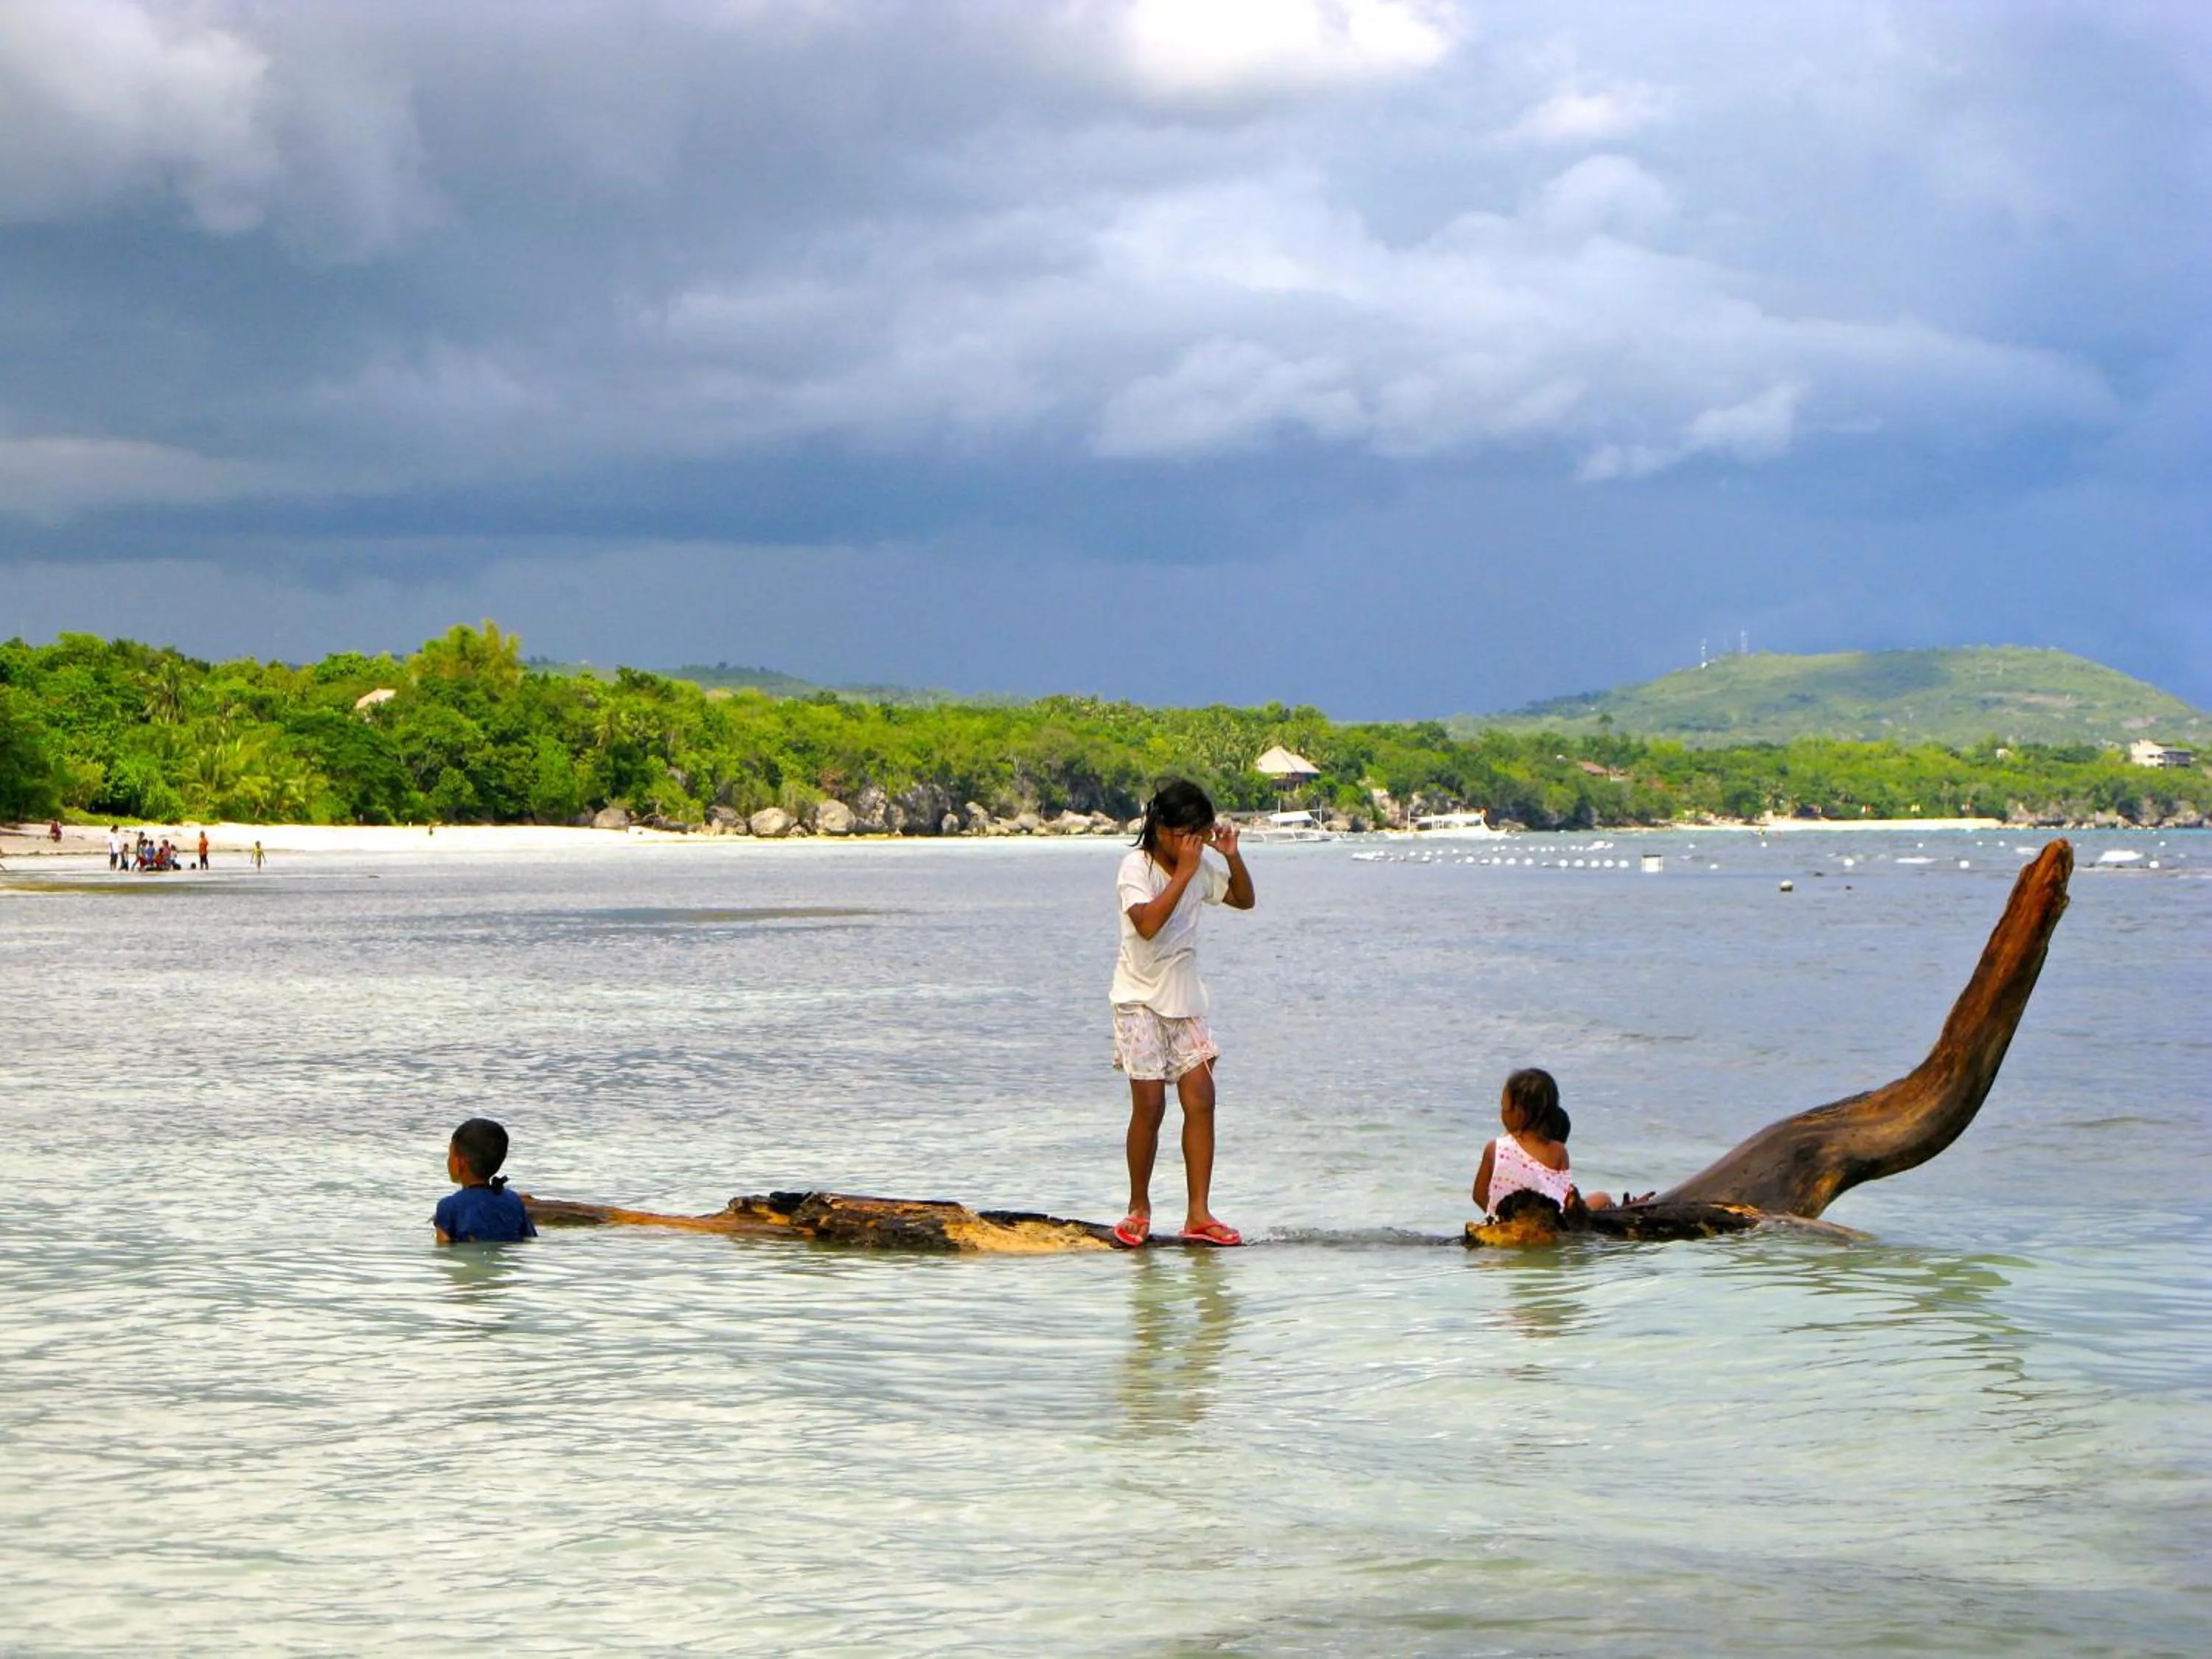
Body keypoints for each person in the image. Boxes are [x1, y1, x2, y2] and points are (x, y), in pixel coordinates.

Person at [1110, 779, 1256, 1248]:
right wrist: (1185, 871)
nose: (1193, 844)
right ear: (1163, 829)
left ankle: (1199, 1213)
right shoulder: (1136, 866)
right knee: (1149, 1107)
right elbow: (1148, 925)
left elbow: (1243, 899)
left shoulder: (1197, 865)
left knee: (1201, 1099)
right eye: (1186, 834)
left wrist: (1230, 855)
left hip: (1185, 996)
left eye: (1201, 834)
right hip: (1138, 997)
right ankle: (1138, 1207)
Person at [1472, 1068, 1627, 1217]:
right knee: (1602, 1198)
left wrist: (1497, 1217)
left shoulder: (1495, 1148)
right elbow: (1564, 1200)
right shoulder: (1559, 1151)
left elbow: (1479, 1195)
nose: (1502, 1114)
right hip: (1547, 1226)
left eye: (1504, 1108)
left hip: (1506, 1225)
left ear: (1519, 1113)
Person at [434, 1117, 538, 1245]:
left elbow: (443, 1251)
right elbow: (529, 1240)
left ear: (459, 1163)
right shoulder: (514, 1201)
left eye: (450, 1154)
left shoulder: (449, 1206)